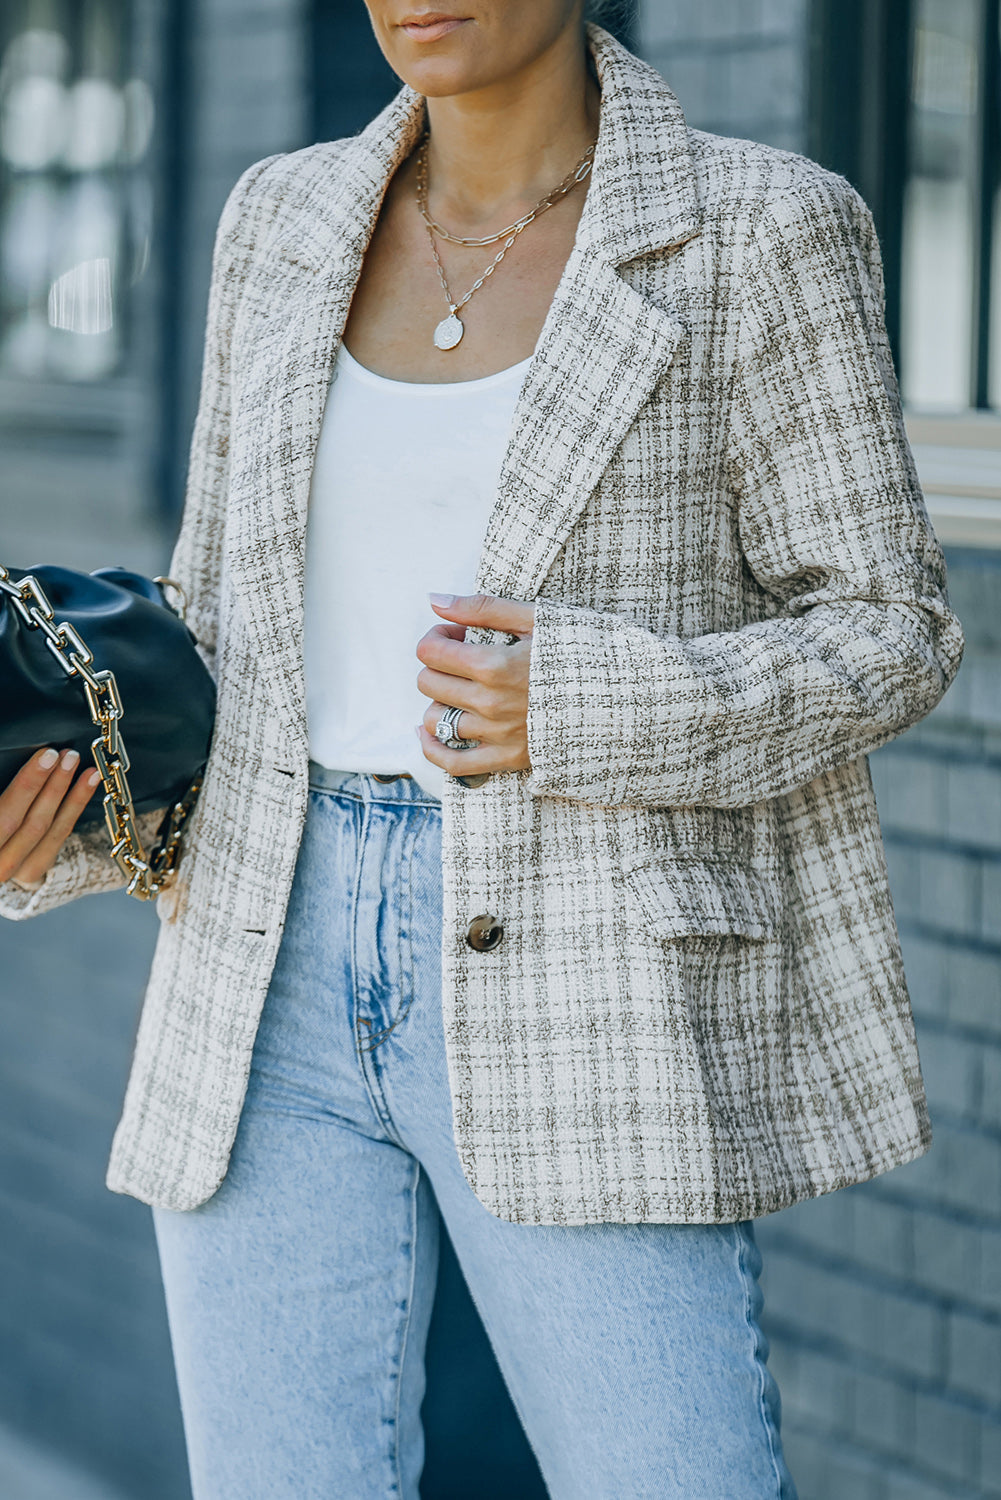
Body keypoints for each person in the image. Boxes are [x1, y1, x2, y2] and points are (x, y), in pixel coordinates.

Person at [0, 4, 964, 1497]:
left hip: (590, 966)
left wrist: (576, 698)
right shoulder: (281, 218)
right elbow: (216, 621)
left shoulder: (761, 228)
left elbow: (891, 626)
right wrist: (61, 818)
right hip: (265, 958)